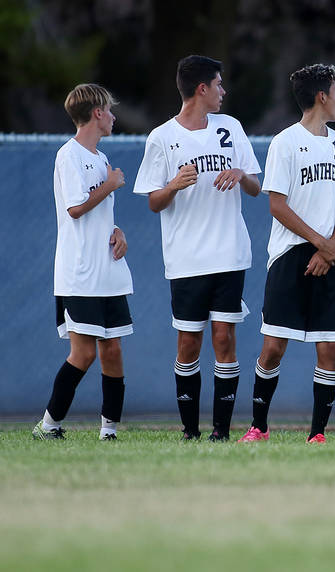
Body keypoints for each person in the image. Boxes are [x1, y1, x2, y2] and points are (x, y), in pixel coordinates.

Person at [132, 56, 262, 441]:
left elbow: (256, 186)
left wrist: (241, 174)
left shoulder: (230, 128)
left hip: (229, 253)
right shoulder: (161, 137)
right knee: (189, 341)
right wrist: (173, 185)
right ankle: (190, 430)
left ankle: (221, 431)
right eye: (219, 85)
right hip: (186, 259)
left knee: (225, 337)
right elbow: (154, 201)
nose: (224, 92)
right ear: (201, 89)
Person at [238, 63, 335, 444]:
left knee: (329, 349)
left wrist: (331, 247)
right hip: (291, 256)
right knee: (273, 347)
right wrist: (318, 242)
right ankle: (259, 427)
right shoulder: (285, 142)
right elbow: (277, 205)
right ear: (322, 96)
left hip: (332, 258)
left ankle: (318, 434)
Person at [34, 84, 133, 441]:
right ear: (96, 114)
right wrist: (110, 185)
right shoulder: (69, 154)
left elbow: (100, 216)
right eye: (109, 110)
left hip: (107, 271)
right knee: (83, 353)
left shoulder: (101, 159)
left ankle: (109, 431)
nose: (113, 117)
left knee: (113, 350)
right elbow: (75, 208)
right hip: (80, 273)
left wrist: (118, 231)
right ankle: (49, 425)